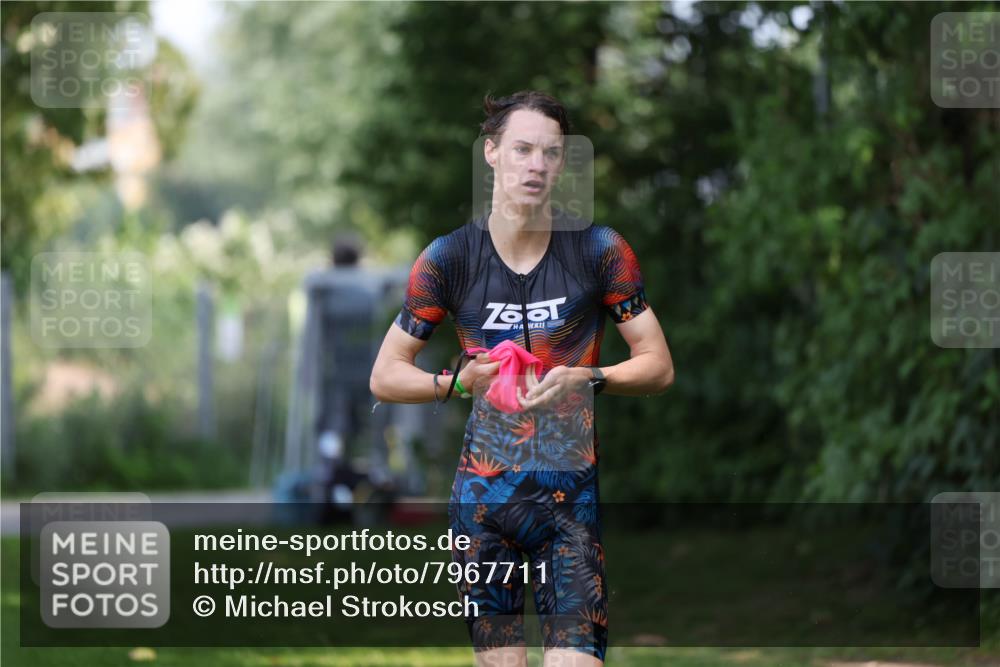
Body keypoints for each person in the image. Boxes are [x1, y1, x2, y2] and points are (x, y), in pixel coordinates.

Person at [369, 91, 674, 667]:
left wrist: (589, 377)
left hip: (571, 506)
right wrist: (457, 384)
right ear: (492, 154)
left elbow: (658, 364)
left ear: (563, 165)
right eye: (523, 149)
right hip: (484, 506)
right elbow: (385, 376)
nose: (536, 165)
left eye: (550, 153)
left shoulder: (599, 251)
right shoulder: (449, 259)